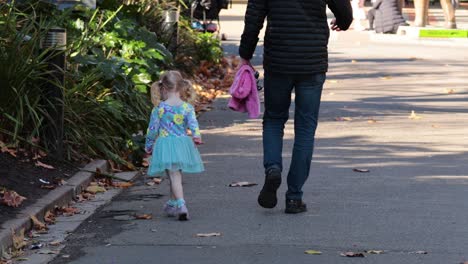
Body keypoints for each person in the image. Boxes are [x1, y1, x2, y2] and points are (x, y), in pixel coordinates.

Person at [239, 0, 353, 214]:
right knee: (305, 127)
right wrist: (344, 21)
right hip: (312, 60)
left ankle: (273, 168)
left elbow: (254, 18)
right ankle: (294, 197)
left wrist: (245, 54)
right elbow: (343, 9)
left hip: (278, 60)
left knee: (273, 119)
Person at [145, 71, 204, 221]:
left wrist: (149, 145)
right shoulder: (187, 108)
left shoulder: (159, 108)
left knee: (173, 175)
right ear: (181, 87)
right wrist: (196, 136)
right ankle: (172, 203)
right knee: (175, 174)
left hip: (165, 144)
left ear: (163, 88)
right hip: (182, 143)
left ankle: (181, 205)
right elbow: (193, 124)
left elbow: (152, 130)